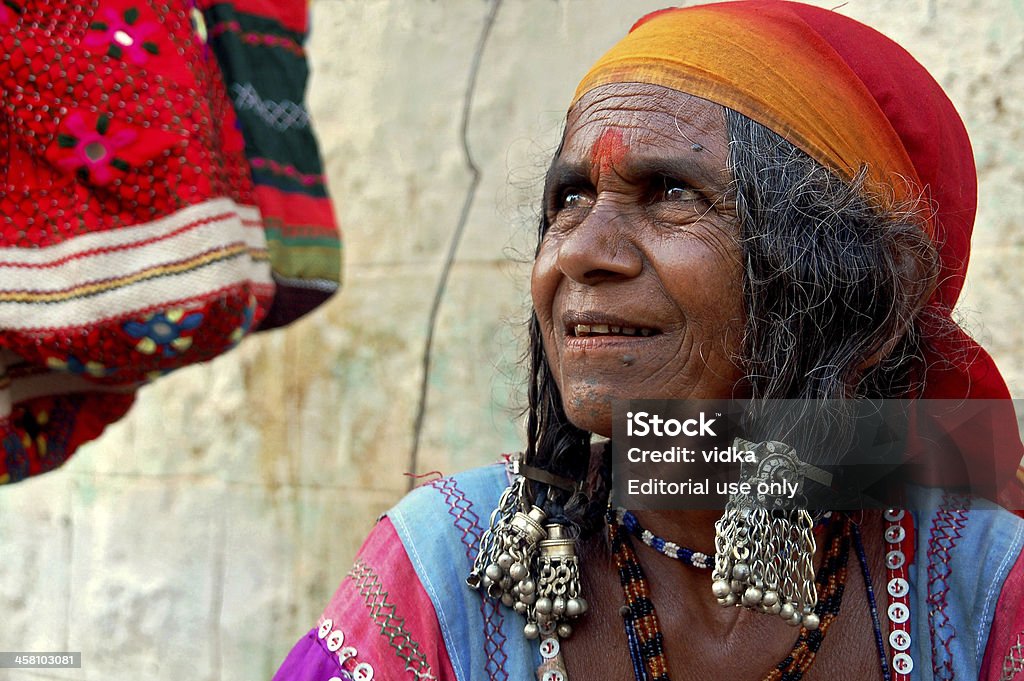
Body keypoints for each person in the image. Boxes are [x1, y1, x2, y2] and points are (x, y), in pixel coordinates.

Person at [273, 2, 1024, 679]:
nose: (578, 251)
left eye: (671, 192)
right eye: (570, 199)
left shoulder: (981, 587)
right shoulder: (443, 565)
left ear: (859, 290)